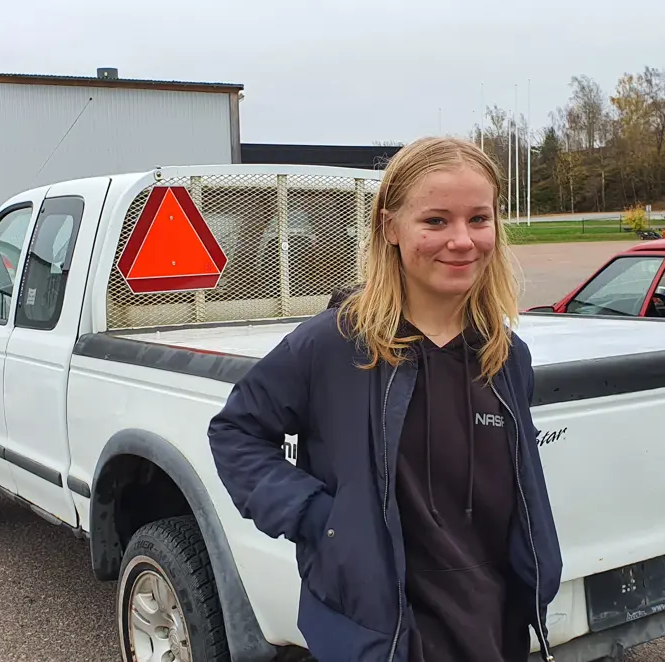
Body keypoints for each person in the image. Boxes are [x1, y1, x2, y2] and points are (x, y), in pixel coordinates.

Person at [207, 136, 563, 662]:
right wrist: (319, 519)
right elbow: (236, 431)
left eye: (479, 219)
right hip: (379, 634)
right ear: (390, 227)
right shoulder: (334, 344)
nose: (462, 240)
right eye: (435, 221)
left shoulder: (505, 356)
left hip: (491, 625)